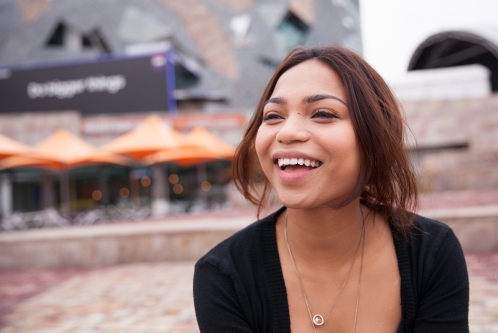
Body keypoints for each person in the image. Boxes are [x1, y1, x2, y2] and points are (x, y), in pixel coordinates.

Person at [193, 46, 469, 333]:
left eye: (323, 113)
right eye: (273, 116)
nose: (287, 132)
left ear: (374, 138)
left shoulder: (432, 253)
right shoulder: (224, 275)